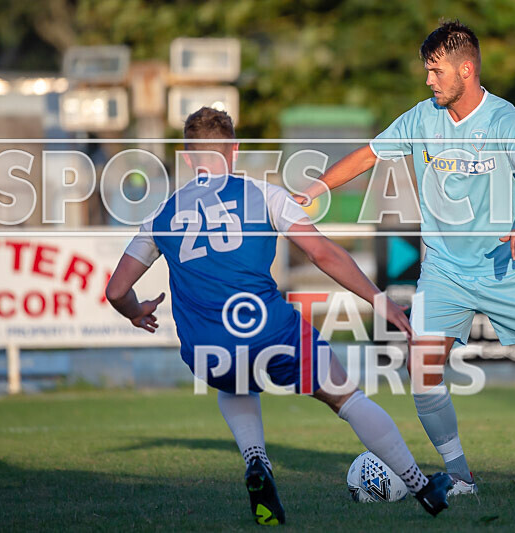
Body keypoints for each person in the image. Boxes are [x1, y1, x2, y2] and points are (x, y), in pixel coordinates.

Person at [293, 21, 515, 494]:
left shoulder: (503, 118)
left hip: (509, 265)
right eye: (427, 71)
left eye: (436, 71)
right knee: (421, 367)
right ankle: (458, 475)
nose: (429, 80)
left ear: (465, 70)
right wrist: (316, 188)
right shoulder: (420, 118)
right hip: (445, 270)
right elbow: (370, 155)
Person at [105, 107, 453, 526]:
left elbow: (116, 290)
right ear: (233, 150)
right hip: (268, 328)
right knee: (346, 396)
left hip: (204, 345)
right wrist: (379, 300)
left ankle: (256, 461)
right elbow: (321, 252)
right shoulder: (262, 193)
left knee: (232, 379)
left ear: (186, 157)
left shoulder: (161, 215)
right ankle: (422, 487)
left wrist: (136, 312)